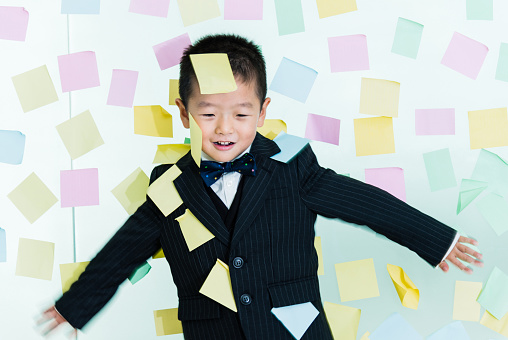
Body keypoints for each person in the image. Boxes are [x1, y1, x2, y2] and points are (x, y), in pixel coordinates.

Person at [38, 34, 483, 339]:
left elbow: (363, 202)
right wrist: (75, 305)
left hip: (294, 330)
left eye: (241, 114)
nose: (224, 129)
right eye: (208, 113)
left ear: (264, 110)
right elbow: (123, 250)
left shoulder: (292, 165)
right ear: (182, 112)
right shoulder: (169, 185)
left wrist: (435, 240)